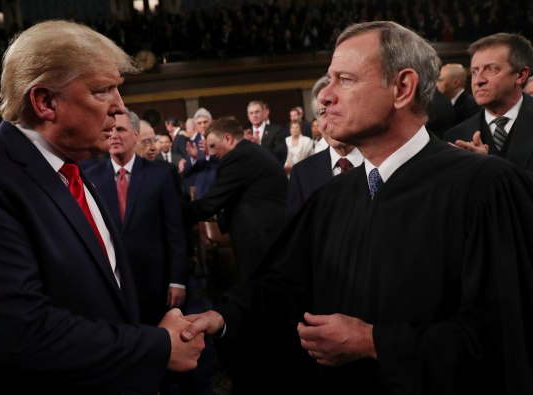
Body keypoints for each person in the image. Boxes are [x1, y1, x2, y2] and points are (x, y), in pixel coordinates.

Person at [182, 21, 533, 394]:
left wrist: (374, 342)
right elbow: (284, 287)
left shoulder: (486, 189)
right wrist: (222, 317)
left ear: (402, 88)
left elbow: (505, 339)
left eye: (344, 80)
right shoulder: (331, 197)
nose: (325, 97)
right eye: (328, 80)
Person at [0, 20, 204, 395]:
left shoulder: (76, 171)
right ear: (45, 102)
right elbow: (18, 331)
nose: (120, 108)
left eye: (118, 89)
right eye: (102, 91)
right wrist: (157, 347)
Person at [184, 116, 289, 394]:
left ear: (228, 139)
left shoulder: (238, 158)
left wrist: (172, 211)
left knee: (258, 305)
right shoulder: (252, 153)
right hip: (267, 240)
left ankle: (260, 372)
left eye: (214, 145)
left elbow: (209, 204)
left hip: (260, 243)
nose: (213, 152)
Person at [86, 108, 188, 325]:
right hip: (112, 283)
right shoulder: (90, 178)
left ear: (135, 134)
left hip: (155, 281)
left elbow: (175, 232)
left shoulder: (161, 174)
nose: (113, 135)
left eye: (120, 129)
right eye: (109, 130)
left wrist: (177, 280)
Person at [444, 32, 533, 171]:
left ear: (521, 75)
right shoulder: (455, 137)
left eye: (491, 69)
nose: (479, 80)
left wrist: (488, 167)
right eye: (475, 71)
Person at [287, 75, 363, 217]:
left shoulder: (381, 163)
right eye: (323, 112)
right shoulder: (302, 174)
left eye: (338, 111)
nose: (331, 121)